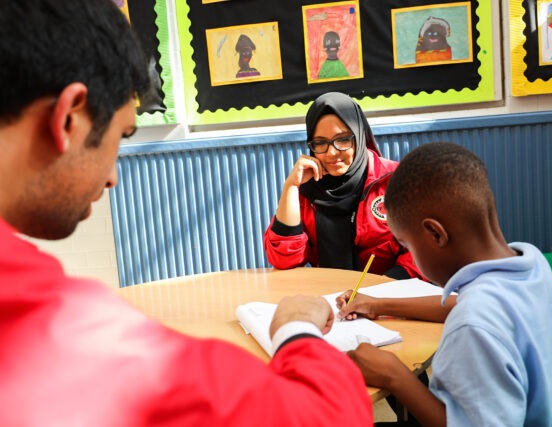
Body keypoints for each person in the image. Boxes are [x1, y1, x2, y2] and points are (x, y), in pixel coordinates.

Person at [0, 1, 372, 425]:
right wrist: (296, 328)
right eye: (121, 137)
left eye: (343, 140)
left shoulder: (388, 180)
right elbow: (322, 414)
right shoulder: (48, 321)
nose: (113, 180)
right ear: (69, 118)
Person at [337, 142, 552, 426]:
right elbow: (461, 305)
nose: (410, 254)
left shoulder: (473, 326)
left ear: (435, 234)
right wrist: (378, 304)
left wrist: (394, 375)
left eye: (406, 244)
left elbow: (471, 316)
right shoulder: (530, 264)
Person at [264, 92, 425, 281]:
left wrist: (380, 291)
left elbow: (422, 249)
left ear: (358, 136)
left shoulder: (395, 180)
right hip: (331, 298)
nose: (332, 152)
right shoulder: (307, 189)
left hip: (390, 298)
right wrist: (290, 187)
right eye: (320, 143)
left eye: (342, 140)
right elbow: (284, 260)